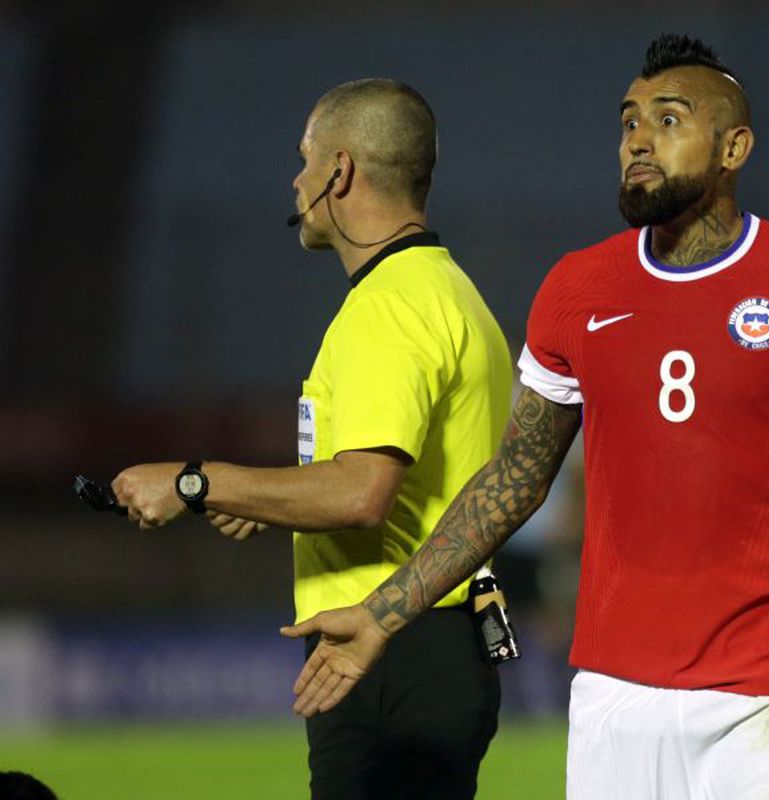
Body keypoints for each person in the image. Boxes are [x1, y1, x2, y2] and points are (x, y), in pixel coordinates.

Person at [284, 36, 769, 798]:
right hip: (612, 697)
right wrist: (382, 612)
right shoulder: (578, 289)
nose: (637, 138)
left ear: (734, 147)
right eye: (628, 120)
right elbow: (513, 480)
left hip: (767, 690)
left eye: (668, 120)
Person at [112, 79, 511, 799]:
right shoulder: (448, 290)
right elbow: (400, 490)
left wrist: (194, 481)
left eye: (304, 158)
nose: (294, 180)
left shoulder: (386, 309)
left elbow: (362, 492)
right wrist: (262, 500)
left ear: (341, 171)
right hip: (437, 644)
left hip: (390, 650)